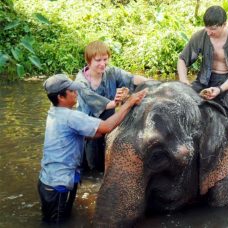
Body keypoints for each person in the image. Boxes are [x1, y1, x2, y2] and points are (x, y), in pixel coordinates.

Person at [38, 74, 147, 223]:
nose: (76, 93)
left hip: (50, 181)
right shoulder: (71, 117)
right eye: (72, 91)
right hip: (58, 185)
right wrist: (129, 103)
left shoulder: (54, 112)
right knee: (55, 223)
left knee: (62, 219)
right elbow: (106, 127)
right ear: (61, 97)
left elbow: (92, 133)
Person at [177, 5, 228, 178]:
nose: (209, 33)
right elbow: (182, 59)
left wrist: (220, 89)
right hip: (205, 80)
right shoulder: (201, 36)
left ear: (224, 25)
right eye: (207, 28)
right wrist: (184, 82)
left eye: (213, 29)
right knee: (182, 98)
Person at [75, 40, 149, 172]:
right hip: (88, 128)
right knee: (91, 167)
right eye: (98, 60)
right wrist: (122, 102)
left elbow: (131, 79)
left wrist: (151, 83)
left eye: (105, 59)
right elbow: (102, 104)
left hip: (109, 122)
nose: (102, 64)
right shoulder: (81, 82)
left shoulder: (111, 72)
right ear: (89, 61)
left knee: (108, 162)